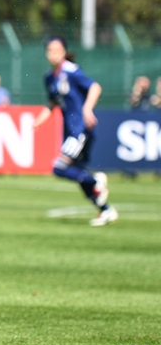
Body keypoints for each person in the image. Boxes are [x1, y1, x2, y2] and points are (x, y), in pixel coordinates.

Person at [33, 36, 117, 226]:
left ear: (64, 52)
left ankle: (96, 181)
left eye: (57, 50)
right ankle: (106, 210)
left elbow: (95, 87)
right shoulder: (49, 78)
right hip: (70, 130)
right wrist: (39, 121)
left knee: (59, 167)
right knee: (78, 174)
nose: (53, 54)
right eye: (50, 50)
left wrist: (87, 109)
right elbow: (53, 103)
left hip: (80, 129)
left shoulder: (71, 71)